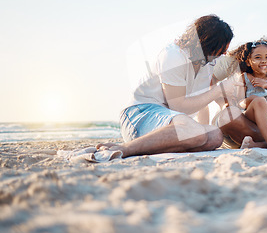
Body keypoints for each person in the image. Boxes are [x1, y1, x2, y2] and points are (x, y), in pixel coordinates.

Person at [98, 15, 240, 157]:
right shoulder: (173, 55)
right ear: (207, 42)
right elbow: (177, 106)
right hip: (141, 113)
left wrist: (204, 134)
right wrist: (218, 90)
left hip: (173, 122)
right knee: (197, 133)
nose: (224, 53)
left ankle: (152, 146)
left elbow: (202, 103)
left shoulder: (207, 64)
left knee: (214, 136)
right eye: (222, 47)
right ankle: (125, 149)